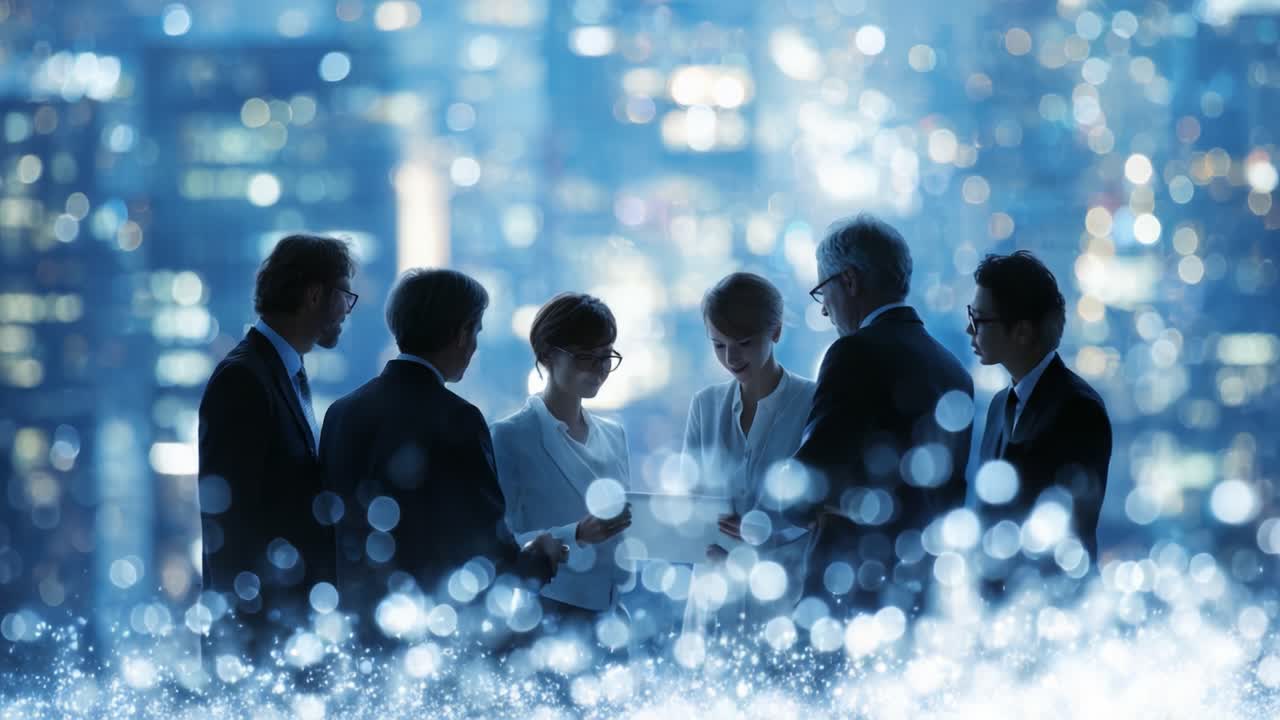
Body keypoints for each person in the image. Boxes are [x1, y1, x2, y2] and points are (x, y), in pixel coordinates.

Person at [319, 268, 563, 643]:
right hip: (434, 637)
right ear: (461, 333)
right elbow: (489, 555)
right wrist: (541, 557)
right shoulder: (458, 419)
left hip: (355, 632)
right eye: (476, 332)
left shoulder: (341, 413)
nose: (475, 346)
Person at [786, 214, 973, 617]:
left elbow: (807, 483)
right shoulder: (953, 370)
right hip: (922, 598)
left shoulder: (854, 353)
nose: (824, 312)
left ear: (849, 281)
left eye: (823, 292)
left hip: (848, 594)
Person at [198, 233, 356, 650]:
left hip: (286, 630)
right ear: (313, 294)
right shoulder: (244, 379)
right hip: (260, 638)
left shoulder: (276, 373)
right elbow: (229, 525)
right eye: (344, 295)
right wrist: (251, 642)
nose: (347, 310)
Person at [680, 272, 816, 634]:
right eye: (719, 345)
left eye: (743, 342)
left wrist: (764, 533)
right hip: (713, 591)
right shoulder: (705, 405)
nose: (731, 357)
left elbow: (818, 506)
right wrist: (699, 538)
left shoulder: (811, 402)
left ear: (776, 331)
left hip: (779, 596)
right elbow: (690, 501)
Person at [491, 293, 633, 638]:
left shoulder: (614, 435)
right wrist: (575, 536)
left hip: (613, 616)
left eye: (606, 356)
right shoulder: (511, 436)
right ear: (547, 355)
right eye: (586, 356)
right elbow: (499, 543)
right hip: (546, 617)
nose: (599, 368)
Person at [968, 250, 1111, 586]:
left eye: (979, 319)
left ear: (1022, 331)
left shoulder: (1079, 409)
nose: (969, 328)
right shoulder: (999, 405)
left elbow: (1072, 527)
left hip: (1052, 603)